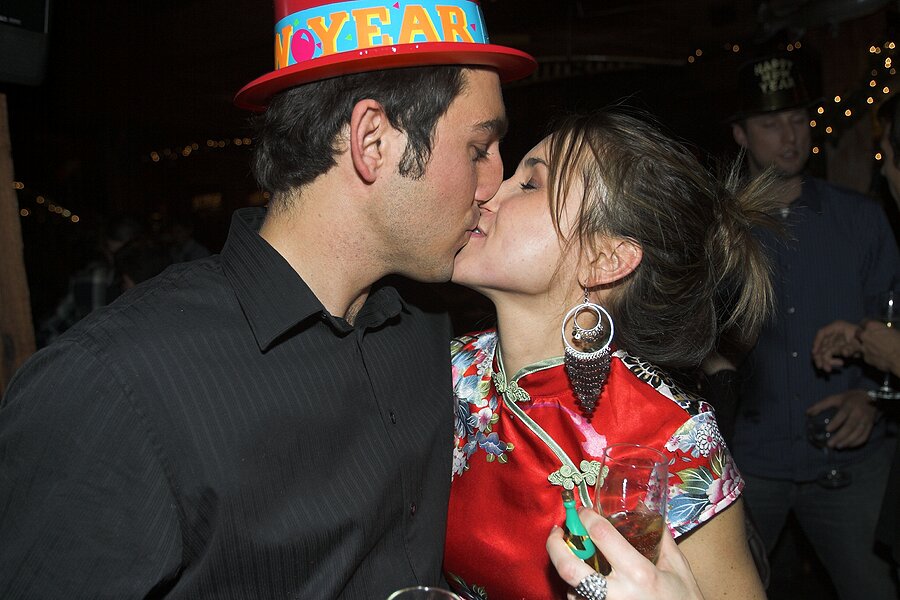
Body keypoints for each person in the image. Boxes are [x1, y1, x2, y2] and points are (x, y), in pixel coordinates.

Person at [0, 1, 537, 597]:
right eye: (478, 149)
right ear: (373, 141)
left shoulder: (423, 324)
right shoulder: (114, 387)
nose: (494, 182)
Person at [443, 109, 773, 599]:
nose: (486, 192)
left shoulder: (671, 438)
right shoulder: (445, 370)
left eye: (530, 185)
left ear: (605, 259)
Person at [728, 55, 900, 599]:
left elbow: (892, 321)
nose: (790, 135)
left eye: (798, 119)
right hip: (747, 465)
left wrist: (872, 398)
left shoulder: (861, 217)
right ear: (741, 135)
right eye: (771, 123)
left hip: (851, 460)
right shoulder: (717, 229)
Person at [36, 215, 143, 346]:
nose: (123, 261)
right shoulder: (97, 278)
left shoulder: (143, 276)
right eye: (118, 254)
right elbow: (99, 336)